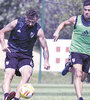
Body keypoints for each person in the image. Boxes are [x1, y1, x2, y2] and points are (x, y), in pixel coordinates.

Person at [0, 9, 50, 100]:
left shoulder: (38, 30)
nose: (30, 24)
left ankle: (16, 99)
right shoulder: (16, 23)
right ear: (26, 18)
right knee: (9, 74)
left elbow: (45, 47)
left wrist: (46, 61)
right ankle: (6, 96)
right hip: (12, 53)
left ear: (36, 20)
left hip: (26, 56)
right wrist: (3, 45)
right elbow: (2, 32)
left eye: (33, 22)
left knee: (27, 75)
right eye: (29, 21)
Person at [53, 0, 90, 100]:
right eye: (85, 10)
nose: (87, 12)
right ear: (83, 10)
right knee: (78, 74)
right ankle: (80, 98)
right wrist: (57, 31)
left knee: (82, 78)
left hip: (88, 53)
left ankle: (69, 67)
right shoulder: (76, 19)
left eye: (89, 10)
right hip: (76, 51)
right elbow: (64, 23)